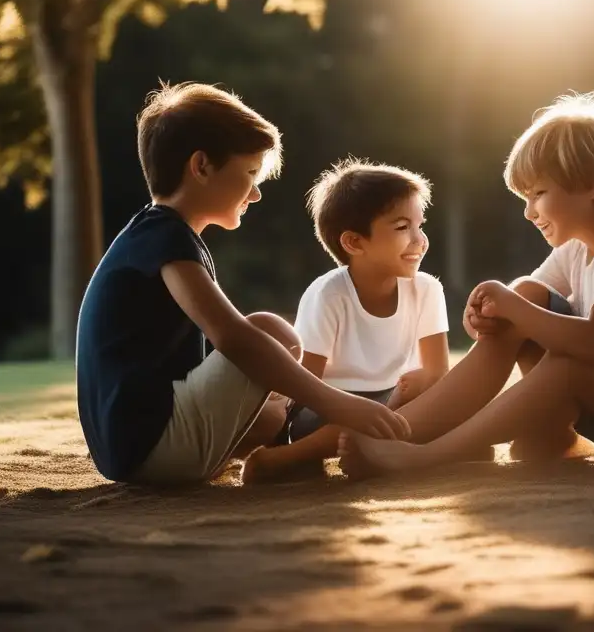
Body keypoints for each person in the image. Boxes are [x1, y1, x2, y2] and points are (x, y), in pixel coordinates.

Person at [337, 92, 594, 477]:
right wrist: (487, 312)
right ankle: (406, 431)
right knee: (527, 292)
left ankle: (422, 455)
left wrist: (512, 307)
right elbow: (523, 307)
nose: (528, 211)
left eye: (539, 193)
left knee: (570, 359)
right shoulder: (577, 248)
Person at [75, 83, 409, 485]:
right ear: (201, 166)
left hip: (131, 449)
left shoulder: (151, 233)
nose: (255, 193)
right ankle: (298, 436)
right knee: (269, 332)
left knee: (271, 416)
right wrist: (340, 404)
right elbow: (232, 337)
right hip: (150, 448)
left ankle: (280, 438)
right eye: (250, 173)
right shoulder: (167, 238)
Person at [242, 160, 450, 483]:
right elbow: (304, 385)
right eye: (401, 228)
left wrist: (405, 392)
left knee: (443, 412)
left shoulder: (428, 290)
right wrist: (366, 409)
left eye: (420, 225)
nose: (419, 239)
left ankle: (372, 450)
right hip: (327, 408)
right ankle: (280, 459)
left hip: (394, 402)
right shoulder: (329, 294)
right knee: (361, 424)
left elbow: (438, 373)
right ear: (354, 242)